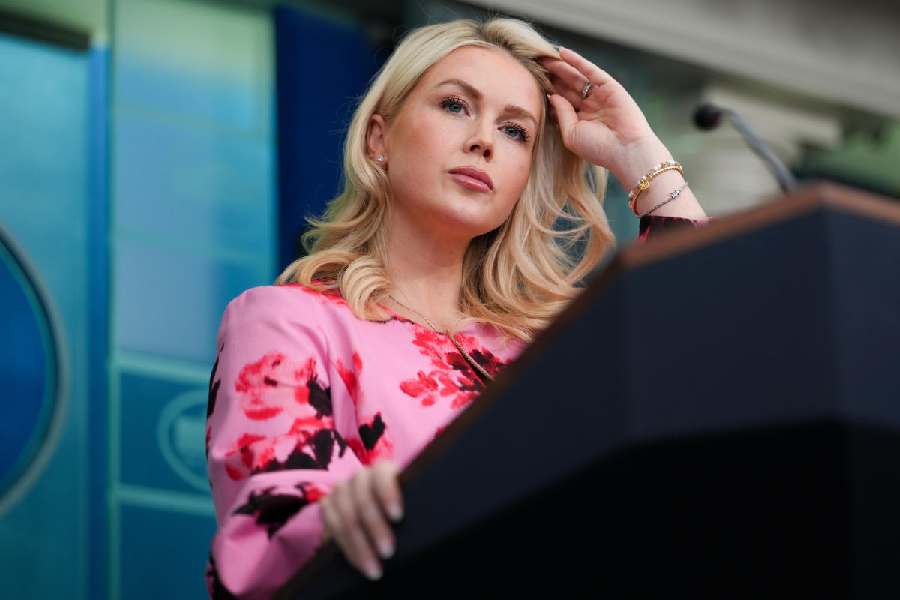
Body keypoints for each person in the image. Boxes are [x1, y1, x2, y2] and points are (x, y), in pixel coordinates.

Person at [204, 17, 707, 599]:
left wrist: (639, 153)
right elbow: (269, 522)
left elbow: (707, 339)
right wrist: (338, 516)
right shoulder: (287, 321)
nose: (484, 141)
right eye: (455, 106)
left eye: (515, 131)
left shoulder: (553, 346)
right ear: (377, 139)